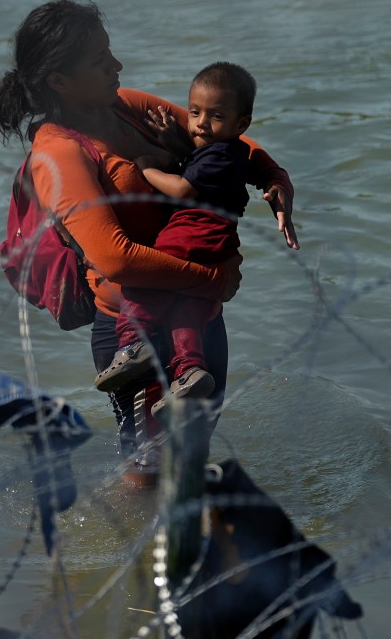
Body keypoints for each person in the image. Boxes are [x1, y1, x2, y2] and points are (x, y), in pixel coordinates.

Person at [0, 0, 298, 459]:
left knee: (192, 455)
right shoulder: (58, 154)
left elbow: (223, 136)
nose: (118, 65)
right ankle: (126, 528)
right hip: (135, 335)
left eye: (110, 51)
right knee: (149, 469)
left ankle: (178, 526)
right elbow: (114, 257)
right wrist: (213, 279)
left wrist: (277, 180)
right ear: (59, 81)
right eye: (99, 61)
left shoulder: (123, 106)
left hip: (198, 315)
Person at [93, 61, 290, 415]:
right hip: (217, 242)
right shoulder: (228, 153)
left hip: (190, 233)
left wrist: (147, 167)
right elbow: (196, 167)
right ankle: (189, 371)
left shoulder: (219, 154)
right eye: (195, 111)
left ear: (240, 124)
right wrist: (177, 146)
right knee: (188, 307)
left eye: (215, 116)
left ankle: (132, 344)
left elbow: (184, 189)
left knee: (144, 284)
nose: (199, 122)